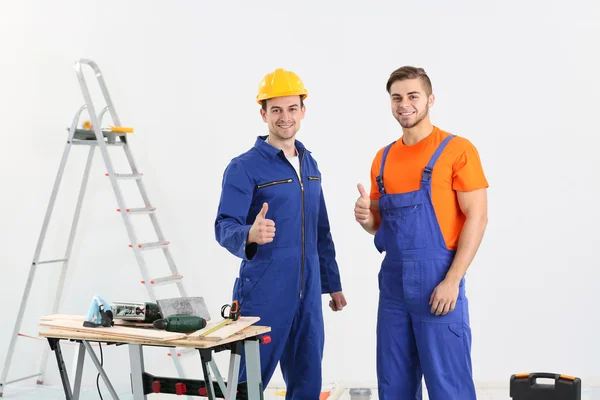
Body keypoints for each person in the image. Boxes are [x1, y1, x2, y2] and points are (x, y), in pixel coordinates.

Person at [354, 66, 489, 400]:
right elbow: (381, 227)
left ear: (430, 99)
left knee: (449, 384)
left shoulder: (457, 150)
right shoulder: (382, 159)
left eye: (413, 96)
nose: (404, 104)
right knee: (394, 382)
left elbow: (478, 217)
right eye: (396, 97)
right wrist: (365, 218)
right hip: (394, 285)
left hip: (438, 279)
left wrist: (452, 280)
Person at [215, 68, 347, 398]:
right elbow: (223, 225)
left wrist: (333, 285)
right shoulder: (244, 166)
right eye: (276, 110)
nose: (284, 117)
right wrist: (250, 233)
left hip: (309, 292)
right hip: (264, 293)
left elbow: (321, 230)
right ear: (263, 113)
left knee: (307, 382)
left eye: (291, 108)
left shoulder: (310, 164)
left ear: (303, 111)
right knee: (247, 385)